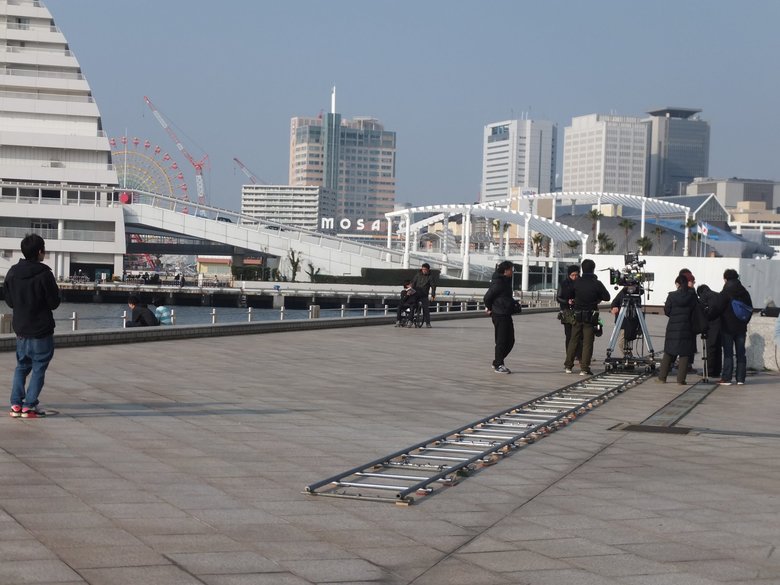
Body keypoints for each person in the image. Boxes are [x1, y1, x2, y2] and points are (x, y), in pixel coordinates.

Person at [4, 234, 60, 418]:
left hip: (21, 328)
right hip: (41, 330)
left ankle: (16, 404)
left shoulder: (12, 272)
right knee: (38, 367)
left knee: (21, 366)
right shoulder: (44, 274)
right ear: (39, 251)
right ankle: (29, 405)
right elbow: (54, 303)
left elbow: (9, 301)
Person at [564, 258, 610, 376]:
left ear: (582, 269)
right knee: (587, 343)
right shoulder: (597, 283)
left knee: (573, 340)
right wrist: (597, 297)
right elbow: (607, 297)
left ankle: (568, 366)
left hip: (577, 315)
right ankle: (584, 368)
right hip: (590, 317)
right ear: (593, 269)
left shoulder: (577, 282)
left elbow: (568, 295)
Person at [713, 269, 753, 385]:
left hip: (727, 328)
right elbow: (750, 309)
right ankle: (740, 379)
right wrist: (744, 322)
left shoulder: (725, 292)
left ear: (725, 279)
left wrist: (708, 317)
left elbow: (717, 308)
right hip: (741, 328)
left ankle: (726, 378)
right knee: (741, 353)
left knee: (728, 353)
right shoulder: (744, 292)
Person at [657, 275, 699, 384]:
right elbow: (696, 311)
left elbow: (667, 310)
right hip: (687, 327)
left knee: (669, 352)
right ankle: (681, 380)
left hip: (673, 328)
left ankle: (662, 378)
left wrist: (674, 315)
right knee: (684, 354)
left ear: (677, 284)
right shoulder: (692, 296)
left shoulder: (672, 296)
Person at [483, 261, 516, 374]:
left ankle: (497, 361)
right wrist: (490, 308)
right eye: (511, 269)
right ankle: (498, 365)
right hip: (499, 314)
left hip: (506, 313)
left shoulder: (506, 281)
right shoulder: (498, 283)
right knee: (501, 340)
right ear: (505, 271)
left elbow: (505, 297)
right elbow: (487, 297)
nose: (512, 271)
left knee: (511, 340)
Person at [696, 284, 723, 379]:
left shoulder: (704, 296)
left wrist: (706, 319)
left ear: (700, 292)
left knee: (710, 348)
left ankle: (709, 370)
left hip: (711, 325)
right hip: (722, 325)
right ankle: (717, 370)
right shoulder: (718, 295)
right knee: (718, 348)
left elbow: (701, 310)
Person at [556, 265, 581, 362]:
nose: (574, 277)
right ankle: (570, 354)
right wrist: (567, 301)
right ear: (569, 275)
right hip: (567, 311)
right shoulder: (563, 283)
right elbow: (558, 297)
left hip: (578, 310)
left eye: (576, 275)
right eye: (572, 275)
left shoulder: (581, 283)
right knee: (569, 334)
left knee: (579, 334)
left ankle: (579, 354)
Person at [609, 286, 641, 357]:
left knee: (623, 343)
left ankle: (628, 357)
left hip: (631, 322)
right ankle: (628, 356)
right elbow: (615, 301)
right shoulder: (623, 291)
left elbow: (639, 297)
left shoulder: (637, 292)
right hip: (622, 321)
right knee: (623, 343)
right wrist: (614, 307)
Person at [410, 263, 437, 328]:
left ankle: (428, 323)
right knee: (412, 306)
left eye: (425, 269)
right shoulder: (418, 275)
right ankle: (410, 321)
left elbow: (433, 287)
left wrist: (433, 295)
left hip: (424, 295)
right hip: (416, 294)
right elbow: (413, 283)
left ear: (428, 270)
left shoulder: (430, 277)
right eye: (423, 269)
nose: (424, 270)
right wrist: (410, 291)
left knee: (426, 308)